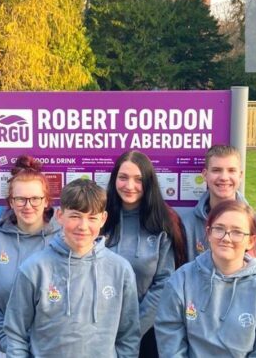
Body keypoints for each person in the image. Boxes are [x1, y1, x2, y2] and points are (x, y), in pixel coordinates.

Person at [4, 178, 140, 357]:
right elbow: (15, 334)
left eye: (92, 218)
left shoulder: (120, 270)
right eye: (75, 216)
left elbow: (128, 336)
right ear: (60, 216)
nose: (83, 226)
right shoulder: (34, 269)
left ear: (103, 219)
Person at [155, 200, 256, 357]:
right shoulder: (181, 280)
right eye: (219, 229)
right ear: (209, 233)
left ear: (250, 241)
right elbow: (170, 341)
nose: (226, 238)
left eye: (237, 232)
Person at [0, 156, 60, 357]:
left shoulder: (63, 242)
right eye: (20, 199)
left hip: (52, 349)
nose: (28, 206)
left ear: (45, 201)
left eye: (35, 198)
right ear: (11, 201)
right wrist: (3, 335)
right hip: (2, 348)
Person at [103, 150, 187, 357]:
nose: (129, 186)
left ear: (149, 182)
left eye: (138, 179)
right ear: (115, 179)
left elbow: (164, 282)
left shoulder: (163, 222)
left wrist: (133, 330)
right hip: (101, 329)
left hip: (147, 331)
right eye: (123, 177)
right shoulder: (100, 217)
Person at [182, 145, 256, 278]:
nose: (224, 177)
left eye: (231, 170)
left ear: (240, 175)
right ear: (205, 175)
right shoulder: (186, 224)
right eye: (216, 170)